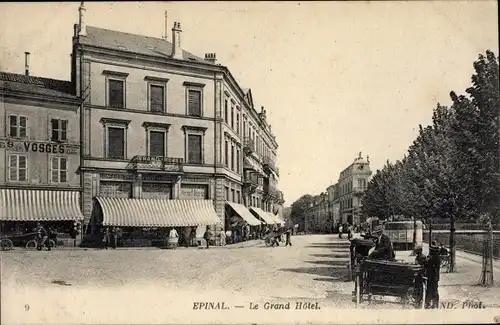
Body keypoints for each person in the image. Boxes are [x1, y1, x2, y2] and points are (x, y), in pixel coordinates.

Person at [425, 244, 441, 309]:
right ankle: (433, 303)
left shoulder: (434, 258)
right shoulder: (436, 257)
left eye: (431, 251)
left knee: (431, 290)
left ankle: (433, 304)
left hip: (433, 276)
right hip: (434, 276)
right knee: (433, 290)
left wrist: (427, 260)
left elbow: (427, 264)